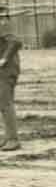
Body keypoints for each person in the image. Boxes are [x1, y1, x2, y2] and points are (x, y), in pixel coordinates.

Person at [0, 22, 17, 151]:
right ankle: (8, 137)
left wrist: (3, 59)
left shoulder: (3, 24)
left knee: (6, 104)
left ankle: (13, 139)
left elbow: (16, 42)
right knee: (3, 105)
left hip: (6, 71)